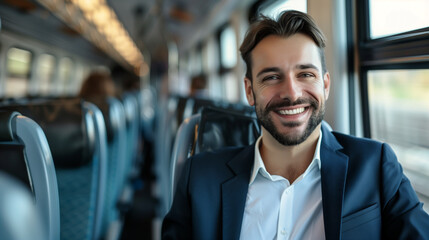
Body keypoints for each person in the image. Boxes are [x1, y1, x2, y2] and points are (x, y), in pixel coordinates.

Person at [162, 10, 429, 239]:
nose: (292, 93)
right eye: (272, 77)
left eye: (305, 74)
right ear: (250, 91)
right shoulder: (200, 178)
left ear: (325, 84)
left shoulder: (375, 166)